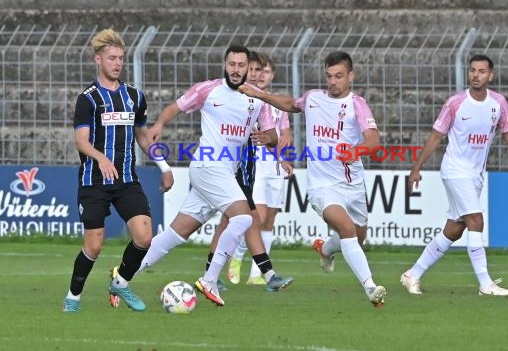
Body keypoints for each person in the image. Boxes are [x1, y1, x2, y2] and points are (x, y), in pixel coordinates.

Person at [136, 45, 282, 306]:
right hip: (208, 166)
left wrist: (267, 137)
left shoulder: (259, 98)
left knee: (177, 232)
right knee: (243, 218)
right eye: (232, 64)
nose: (236, 70)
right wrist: (159, 125)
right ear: (225, 65)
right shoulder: (208, 89)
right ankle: (210, 279)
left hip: (225, 172)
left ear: (249, 68)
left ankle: (123, 275)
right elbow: (176, 106)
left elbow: (273, 135)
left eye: (241, 65)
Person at [239, 51, 387, 307]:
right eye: (329, 76)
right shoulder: (313, 98)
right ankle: (371, 288)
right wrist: (262, 95)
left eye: (339, 76)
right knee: (347, 230)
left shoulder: (357, 104)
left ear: (350, 76)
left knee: (356, 240)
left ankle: (326, 249)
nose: (333, 81)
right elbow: (290, 104)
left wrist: (356, 150)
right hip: (322, 187)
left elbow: (373, 140)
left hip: (353, 185)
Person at [400, 54, 508, 296]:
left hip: (475, 174)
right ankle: (485, 284)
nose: (476, 75)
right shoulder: (456, 103)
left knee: (455, 230)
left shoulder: (498, 103)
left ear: (491, 75)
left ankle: (412, 274)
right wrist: (417, 168)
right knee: (476, 221)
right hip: (455, 170)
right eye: (473, 71)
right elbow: (436, 136)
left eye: (481, 71)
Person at [63, 28, 173, 313]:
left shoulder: (135, 97)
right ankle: (73, 297)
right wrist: (100, 157)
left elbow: (143, 136)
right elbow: (81, 141)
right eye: (112, 58)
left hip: (126, 179)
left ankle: (121, 282)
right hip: (94, 181)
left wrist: (164, 166)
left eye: (121, 58)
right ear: (98, 59)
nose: (117, 63)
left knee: (144, 237)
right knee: (95, 246)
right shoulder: (87, 99)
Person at [203, 51, 294, 291]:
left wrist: (275, 147)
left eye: (258, 70)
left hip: (249, 165)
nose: (253, 74)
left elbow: (278, 132)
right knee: (248, 218)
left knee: (236, 219)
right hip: (234, 164)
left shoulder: (261, 99)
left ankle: (217, 272)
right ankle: (265, 273)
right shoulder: (234, 95)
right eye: (251, 69)